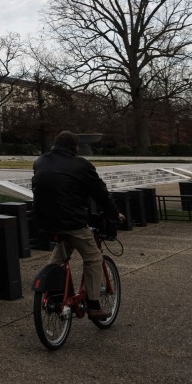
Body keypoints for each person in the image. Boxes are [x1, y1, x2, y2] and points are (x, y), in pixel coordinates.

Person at [32, 130, 123, 319]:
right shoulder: (81, 165)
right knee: (93, 259)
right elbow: (101, 193)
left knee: (60, 256)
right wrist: (114, 214)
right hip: (72, 222)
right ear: (75, 147)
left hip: (45, 222)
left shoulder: (40, 161)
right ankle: (93, 304)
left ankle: (50, 287)